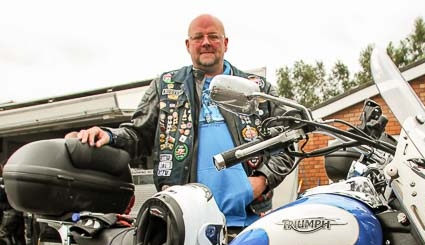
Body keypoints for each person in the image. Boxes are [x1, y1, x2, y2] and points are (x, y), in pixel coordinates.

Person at [65, 14, 294, 229]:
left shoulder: (256, 88)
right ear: (188, 45)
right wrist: (108, 136)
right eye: (198, 37)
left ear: (225, 43)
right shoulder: (165, 86)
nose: (206, 43)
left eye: (213, 37)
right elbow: (138, 136)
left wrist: (262, 180)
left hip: (249, 217)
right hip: (184, 221)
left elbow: (287, 140)